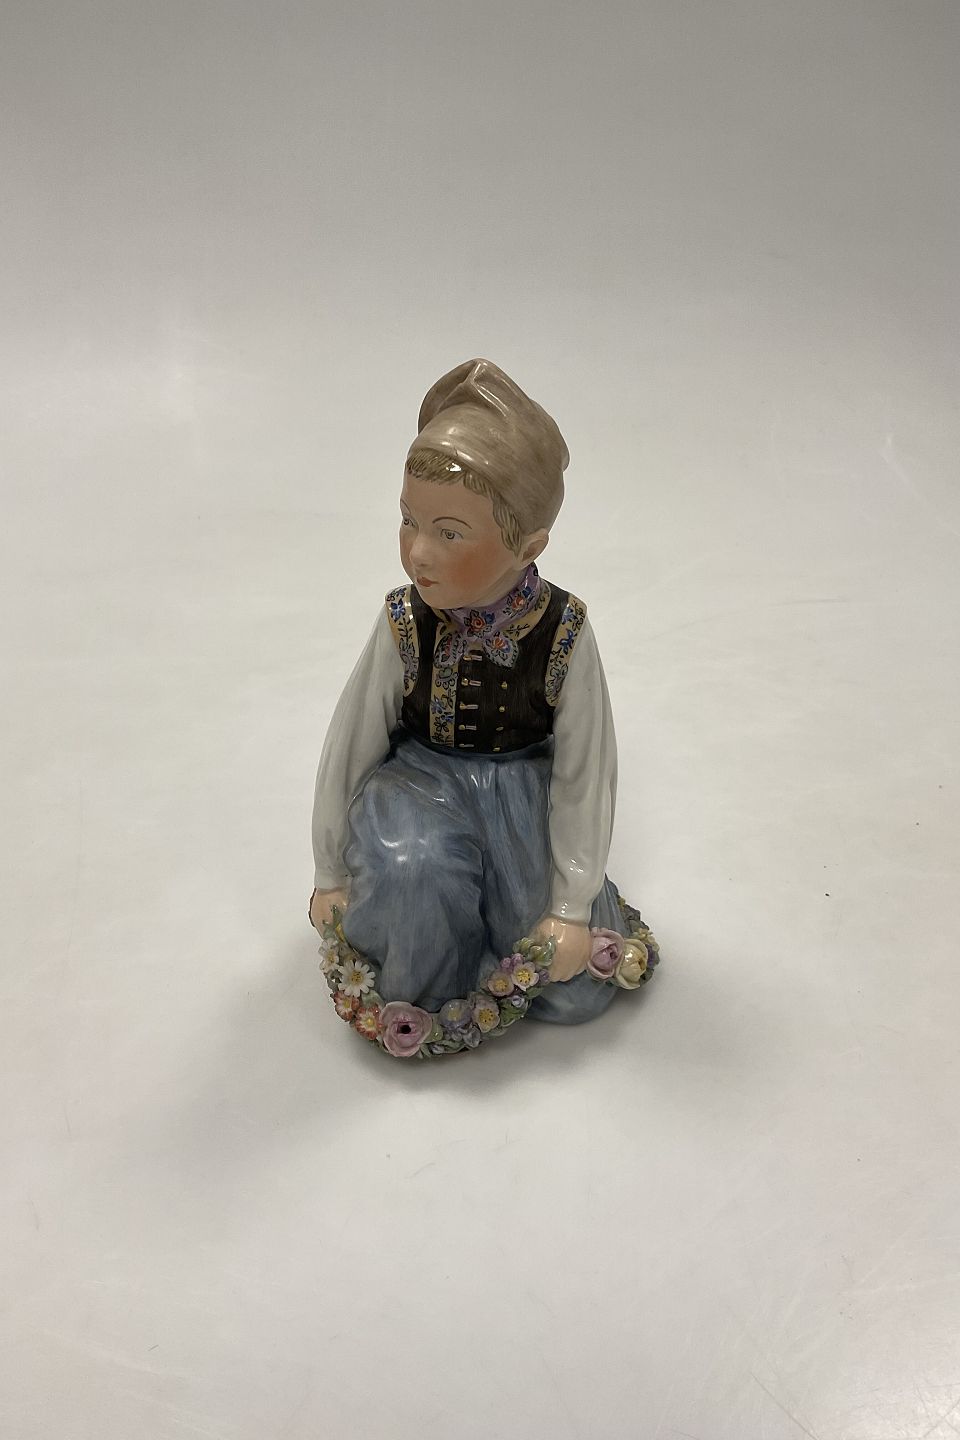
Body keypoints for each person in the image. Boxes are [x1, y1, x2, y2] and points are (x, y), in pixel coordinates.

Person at [309, 359, 659, 1055]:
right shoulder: (404, 621)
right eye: (408, 521)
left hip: (517, 796)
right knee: (414, 870)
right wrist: (330, 871)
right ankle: (425, 993)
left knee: (565, 983)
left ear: (528, 547)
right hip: (418, 784)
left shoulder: (564, 630)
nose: (417, 552)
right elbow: (351, 743)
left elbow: (586, 773)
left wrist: (570, 908)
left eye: (450, 533)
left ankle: (513, 949)